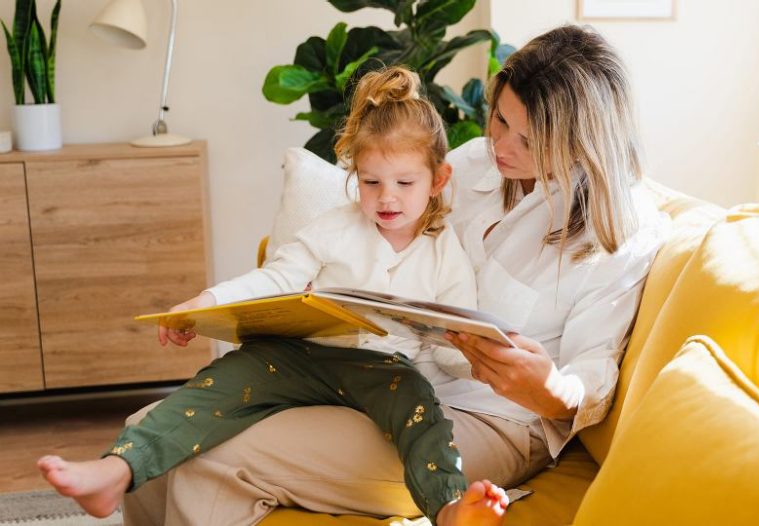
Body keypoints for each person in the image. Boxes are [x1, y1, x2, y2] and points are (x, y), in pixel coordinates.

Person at [67, 24, 667, 526]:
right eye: (499, 119)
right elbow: (385, 213)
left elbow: (590, 379)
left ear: (580, 141)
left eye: (527, 139)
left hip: (489, 418)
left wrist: (548, 388)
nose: (500, 145)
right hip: (380, 371)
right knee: (145, 427)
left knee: (211, 458)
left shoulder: (624, 232)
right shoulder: (475, 164)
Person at [36, 66, 511, 526]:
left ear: (439, 180)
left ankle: (448, 507)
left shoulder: (445, 252)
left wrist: (469, 350)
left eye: (405, 183)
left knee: (419, 405)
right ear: (356, 175)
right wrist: (208, 301)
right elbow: (276, 277)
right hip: (300, 355)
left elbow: (453, 349)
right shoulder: (334, 228)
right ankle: (116, 470)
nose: (387, 198)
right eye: (370, 182)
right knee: (217, 383)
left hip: (382, 373)